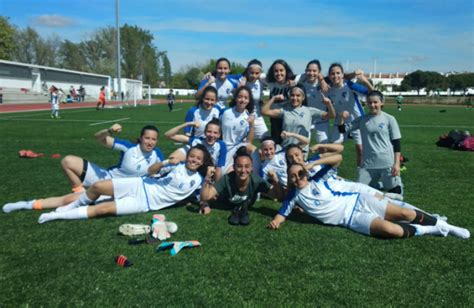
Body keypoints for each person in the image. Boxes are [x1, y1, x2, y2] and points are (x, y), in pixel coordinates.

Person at [3, 145, 213, 223]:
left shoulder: (199, 181)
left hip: (144, 203)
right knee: (94, 189)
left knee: (101, 210)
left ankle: (56, 215)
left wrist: (206, 195)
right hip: (138, 185)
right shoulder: (176, 166)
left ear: (203, 162)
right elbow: (151, 171)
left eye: (197, 158)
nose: (193, 160)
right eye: (191, 156)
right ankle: (27, 204)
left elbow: (204, 197)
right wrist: (167, 161)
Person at [268, 163, 470, 240]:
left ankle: (447, 226)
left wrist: (311, 163)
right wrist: (276, 222)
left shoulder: (317, 178)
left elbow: (335, 159)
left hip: (359, 201)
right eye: (292, 176)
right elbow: (282, 213)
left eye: (300, 173)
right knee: (392, 230)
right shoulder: (293, 196)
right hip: (350, 219)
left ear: (305, 172)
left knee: (405, 214)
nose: (297, 178)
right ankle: (432, 229)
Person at [60, 123, 164, 193]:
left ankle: (90, 196)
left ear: (157, 141)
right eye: (147, 138)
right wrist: (110, 130)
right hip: (107, 179)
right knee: (67, 161)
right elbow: (99, 138)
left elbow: (163, 172)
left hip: (127, 190)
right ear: (141, 138)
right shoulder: (129, 147)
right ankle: (80, 193)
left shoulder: (157, 154)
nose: (150, 142)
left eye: (153, 139)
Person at [339, 90, 404, 195]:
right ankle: (378, 185)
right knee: (359, 191)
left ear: (381, 103)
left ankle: (387, 185)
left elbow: (396, 143)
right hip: (368, 163)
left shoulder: (389, 119)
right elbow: (342, 130)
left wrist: (396, 164)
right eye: (370, 102)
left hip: (387, 162)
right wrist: (342, 118)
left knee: (395, 192)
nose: (372, 105)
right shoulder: (362, 120)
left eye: (375, 102)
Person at [201, 148, 283, 225]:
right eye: (239, 166)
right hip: (227, 204)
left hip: (247, 205)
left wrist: (275, 181)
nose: (243, 170)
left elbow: (277, 195)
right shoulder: (227, 179)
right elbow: (205, 197)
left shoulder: (256, 180)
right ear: (234, 167)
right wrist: (207, 178)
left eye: (247, 166)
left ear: (251, 168)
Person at [262, 84, 335, 154]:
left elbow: (331, 116)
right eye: (292, 95)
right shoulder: (285, 110)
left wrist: (329, 105)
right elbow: (264, 112)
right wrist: (273, 98)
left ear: (303, 98)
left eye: (298, 96)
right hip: (286, 148)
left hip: (301, 149)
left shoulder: (309, 111)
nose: (295, 98)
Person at [327, 63, 373, 167]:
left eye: (338, 73)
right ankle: (331, 174)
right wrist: (340, 114)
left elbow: (371, 93)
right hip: (340, 122)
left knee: (361, 150)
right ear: (329, 76)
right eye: (332, 74)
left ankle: (361, 176)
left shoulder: (349, 85)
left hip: (357, 122)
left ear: (343, 74)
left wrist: (365, 81)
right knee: (333, 148)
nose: (335, 76)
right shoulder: (329, 90)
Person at [220, 86, 255, 172]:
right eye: (240, 97)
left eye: (246, 98)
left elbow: (249, 142)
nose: (242, 100)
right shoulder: (225, 112)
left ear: (249, 100)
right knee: (221, 174)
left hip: (238, 148)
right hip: (224, 147)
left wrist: (252, 125)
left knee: (255, 151)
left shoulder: (248, 116)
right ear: (235, 98)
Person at [296, 60, 331, 143]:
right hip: (306, 120)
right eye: (309, 70)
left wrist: (322, 80)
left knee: (323, 147)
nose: (311, 73)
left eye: (314, 71)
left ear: (319, 72)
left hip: (322, 120)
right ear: (305, 71)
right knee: (302, 146)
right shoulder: (301, 84)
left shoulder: (326, 83)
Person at [263, 59, 296, 144]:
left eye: (281, 70)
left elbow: (306, 75)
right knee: (276, 143)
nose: (279, 73)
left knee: (289, 142)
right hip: (274, 118)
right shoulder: (270, 82)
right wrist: (244, 77)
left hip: (288, 118)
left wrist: (322, 80)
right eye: (276, 71)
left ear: (286, 71)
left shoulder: (293, 82)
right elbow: (256, 73)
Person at [238, 59, 269, 140]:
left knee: (267, 140)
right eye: (251, 73)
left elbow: (274, 76)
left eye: (257, 73)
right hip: (243, 116)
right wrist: (212, 73)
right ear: (247, 71)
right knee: (242, 144)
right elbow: (225, 75)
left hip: (257, 116)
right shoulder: (241, 81)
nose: (254, 75)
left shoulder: (262, 81)